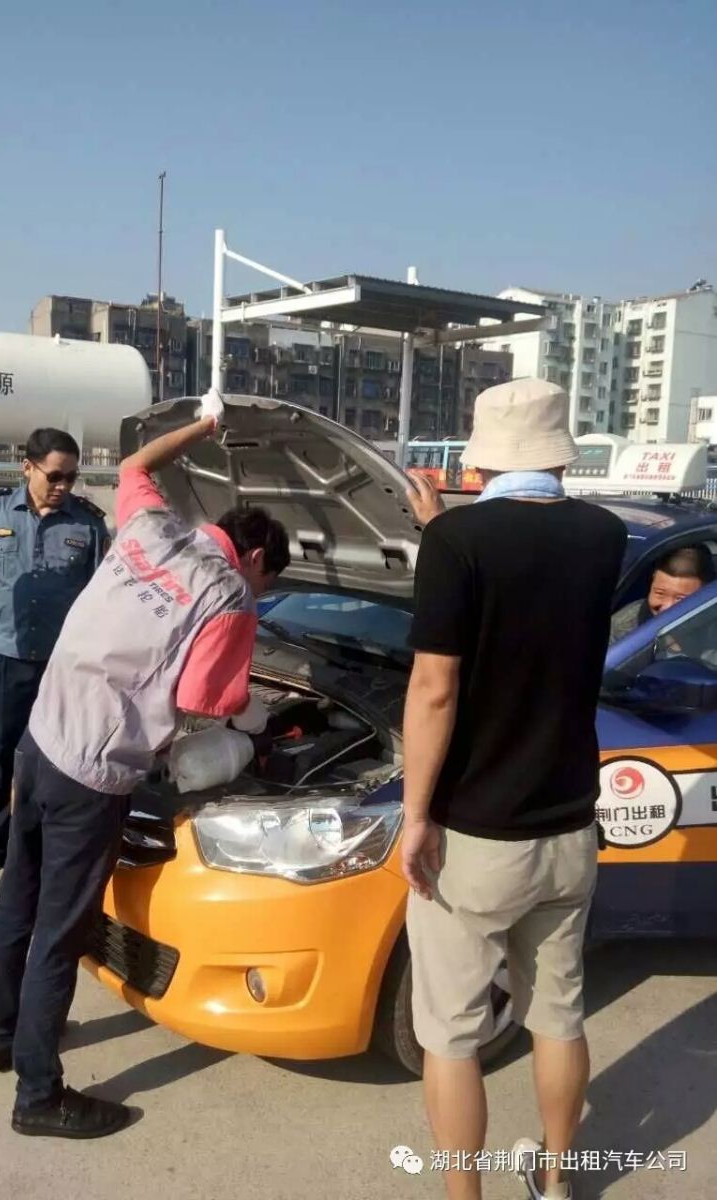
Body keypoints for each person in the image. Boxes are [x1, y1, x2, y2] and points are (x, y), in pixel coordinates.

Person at [0, 405, 290, 1140]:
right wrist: (249, 714)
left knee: (18, 898)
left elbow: (133, 467)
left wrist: (204, 428)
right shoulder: (228, 594)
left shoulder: (152, 526)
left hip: (41, 739)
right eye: (266, 581)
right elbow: (203, 699)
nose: (258, 591)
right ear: (253, 559)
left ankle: (3, 1035)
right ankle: (38, 1095)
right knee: (63, 930)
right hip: (93, 773)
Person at [401, 379, 627, 1200]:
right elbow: (531, 591)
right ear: (559, 450)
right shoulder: (604, 534)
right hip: (567, 825)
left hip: (474, 833)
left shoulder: (457, 541)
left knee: (452, 1035)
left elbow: (435, 687)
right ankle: (558, 1181)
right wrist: (442, 531)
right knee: (557, 1016)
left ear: (481, 456)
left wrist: (414, 816)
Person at [0, 428, 110, 882]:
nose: (63, 486)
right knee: (2, 754)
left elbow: (102, 593)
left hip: (64, 666)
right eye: (55, 476)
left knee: (57, 756)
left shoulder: (87, 523)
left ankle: (41, 844)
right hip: (9, 656)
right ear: (27, 467)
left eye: (71, 478)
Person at [610, 545, 715, 644]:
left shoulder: (712, 630)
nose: (666, 607)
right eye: (660, 593)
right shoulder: (623, 628)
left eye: (680, 599)